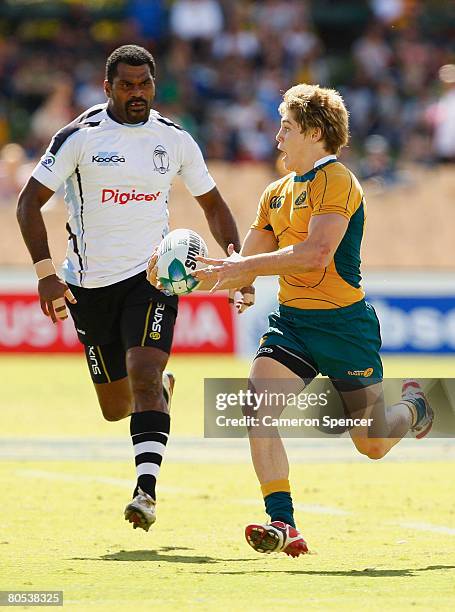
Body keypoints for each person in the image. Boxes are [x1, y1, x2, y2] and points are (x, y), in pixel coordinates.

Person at [16, 44, 250, 533]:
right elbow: (27, 203)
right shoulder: (79, 136)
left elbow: (213, 205)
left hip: (153, 278)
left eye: (144, 84)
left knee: (143, 374)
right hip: (88, 286)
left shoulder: (175, 139)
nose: (137, 93)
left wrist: (235, 265)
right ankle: (160, 393)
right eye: (127, 85)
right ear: (108, 88)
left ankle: (146, 491)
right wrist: (44, 273)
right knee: (115, 407)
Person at [193, 83, 433, 557]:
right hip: (294, 326)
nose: (277, 134)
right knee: (255, 410)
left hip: (345, 328)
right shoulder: (275, 192)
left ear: (315, 132)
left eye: (286, 126)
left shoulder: (338, 180)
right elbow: (245, 260)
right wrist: (179, 276)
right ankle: (283, 523)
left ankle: (416, 408)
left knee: (372, 443)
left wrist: (244, 271)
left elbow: (317, 254)